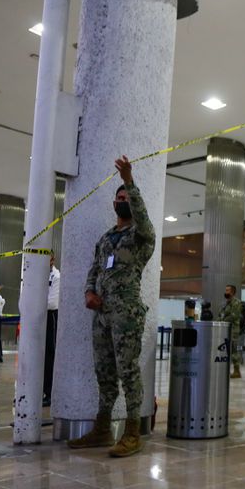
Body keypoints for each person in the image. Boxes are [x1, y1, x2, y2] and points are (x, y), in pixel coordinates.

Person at [69, 155, 155, 457]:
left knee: (128, 371)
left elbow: (142, 216)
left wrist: (129, 181)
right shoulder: (106, 238)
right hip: (102, 313)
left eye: (126, 198)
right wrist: (88, 292)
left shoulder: (141, 235)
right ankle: (103, 429)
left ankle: (132, 432)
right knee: (104, 371)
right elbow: (95, 268)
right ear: (113, 204)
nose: (123, 201)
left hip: (126, 313)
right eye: (119, 198)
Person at [43, 255, 60, 406]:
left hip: (50, 317)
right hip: (36, 317)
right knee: (35, 356)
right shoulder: (34, 275)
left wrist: (34, 305)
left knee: (49, 356)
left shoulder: (56, 276)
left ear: (52, 260)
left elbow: (52, 303)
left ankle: (49, 393)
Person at [220, 284, 245, 378]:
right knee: (226, 350)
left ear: (233, 292)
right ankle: (226, 369)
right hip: (225, 329)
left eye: (228, 290)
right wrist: (219, 322)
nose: (226, 292)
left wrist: (222, 321)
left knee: (234, 350)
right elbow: (220, 314)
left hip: (233, 330)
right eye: (225, 290)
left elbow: (234, 316)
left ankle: (237, 370)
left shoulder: (237, 303)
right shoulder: (225, 304)